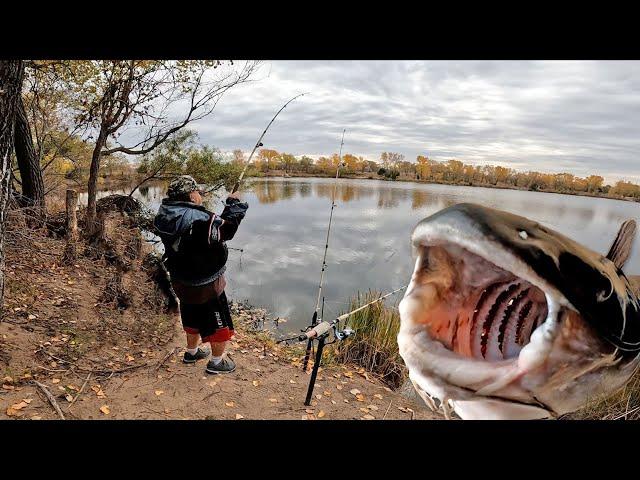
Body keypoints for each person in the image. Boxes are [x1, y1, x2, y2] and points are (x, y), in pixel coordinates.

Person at [153, 175, 248, 374]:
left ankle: (192, 352)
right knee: (218, 321)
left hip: (181, 279)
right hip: (206, 282)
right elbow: (227, 229)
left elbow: (210, 230)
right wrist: (235, 204)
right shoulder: (198, 219)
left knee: (190, 313)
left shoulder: (164, 214)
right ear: (191, 196)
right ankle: (216, 363)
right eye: (197, 191)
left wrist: (226, 210)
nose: (200, 195)